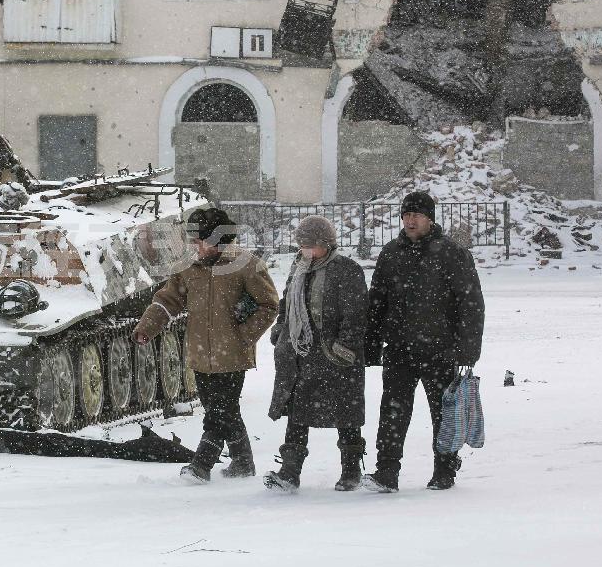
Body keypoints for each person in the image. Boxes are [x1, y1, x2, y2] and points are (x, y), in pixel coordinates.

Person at [134, 207, 279, 483]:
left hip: (232, 356)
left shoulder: (247, 265)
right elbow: (168, 300)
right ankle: (243, 462)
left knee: (218, 412)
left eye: (200, 240)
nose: (195, 246)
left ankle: (202, 465)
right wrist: (147, 327)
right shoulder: (189, 268)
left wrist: (243, 336)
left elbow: (269, 305)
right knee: (224, 410)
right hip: (200, 355)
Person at [363, 191, 485, 492]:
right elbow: (376, 301)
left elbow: (471, 305)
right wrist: (372, 342)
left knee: (443, 413)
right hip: (400, 349)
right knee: (392, 410)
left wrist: (467, 350)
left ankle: (444, 469)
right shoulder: (390, 253)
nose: (410, 220)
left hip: (440, 350)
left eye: (416, 214)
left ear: (430, 218)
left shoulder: (452, 253)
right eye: (406, 215)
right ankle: (387, 471)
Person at [264, 216, 369, 493]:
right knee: (298, 413)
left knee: (346, 414)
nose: (305, 250)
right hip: (303, 354)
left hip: (336, 357)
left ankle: (351, 470)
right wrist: (281, 330)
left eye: (310, 245)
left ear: (326, 244)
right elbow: (286, 303)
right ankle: (289, 472)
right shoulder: (299, 268)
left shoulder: (346, 270)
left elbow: (356, 313)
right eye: (301, 245)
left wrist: (344, 346)